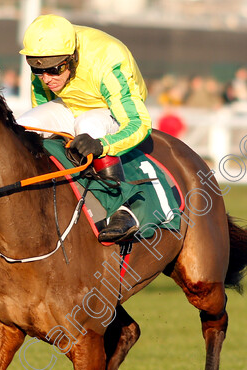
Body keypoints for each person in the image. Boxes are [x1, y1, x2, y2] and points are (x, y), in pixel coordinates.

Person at [17, 14, 152, 243]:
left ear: (72, 58)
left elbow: (139, 123)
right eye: (38, 70)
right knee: (23, 128)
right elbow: (42, 104)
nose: (46, 78)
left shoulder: (107, 59)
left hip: (108, 109)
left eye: (54, 70)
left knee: (87, 125)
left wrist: (102, 145)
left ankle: (122, 208)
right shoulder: (45, 59)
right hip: (69, 106)